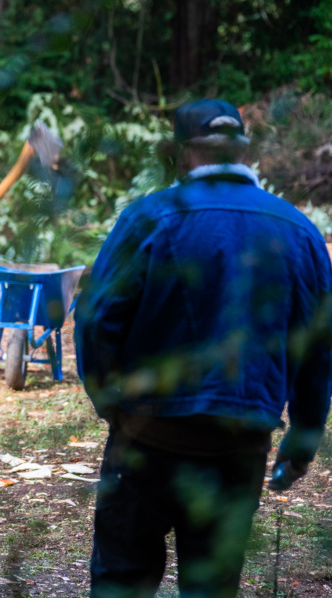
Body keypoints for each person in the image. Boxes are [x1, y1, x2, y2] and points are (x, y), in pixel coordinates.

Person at [74, 99, 332, 597]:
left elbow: (95, 319)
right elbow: (319, 346)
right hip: (237, 444)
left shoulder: (148, 218)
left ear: (178, 154)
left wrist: (113, 405)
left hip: (146, 438)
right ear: (244, 153)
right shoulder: (297, 229)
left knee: (122, 579)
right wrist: (301, 438)